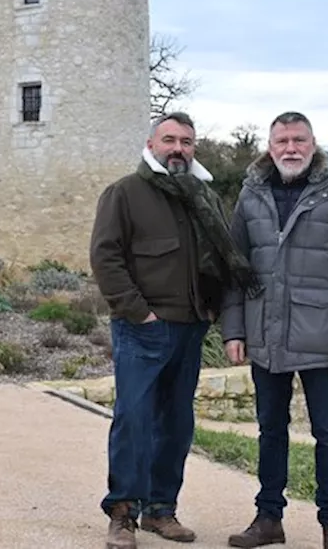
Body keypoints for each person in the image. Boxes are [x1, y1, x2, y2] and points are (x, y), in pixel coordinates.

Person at [90, 111, 257, 549]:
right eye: (169, 139)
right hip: (143, 329)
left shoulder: (203, 196)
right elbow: (106, 257)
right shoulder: (125, 193)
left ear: (193, 148)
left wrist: (213, 312)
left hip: (190, 328)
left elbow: (220, 258)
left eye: (186, 141)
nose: (177, 148)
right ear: (151, 145)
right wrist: (138, 313)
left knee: (177, 424)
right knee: (134, 421)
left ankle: (162, 511)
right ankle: (124, 513)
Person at [220, 111, 328, 549]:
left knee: (327, 434)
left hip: (323, 340)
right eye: (282, 141)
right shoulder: (251, 193)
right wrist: (234, 330)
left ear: (313, 143)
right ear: (269, 147)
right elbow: (235, 268)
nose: (290, 148)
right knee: (270, 431)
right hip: (267, 337)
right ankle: (268, 517)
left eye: (298, 140)